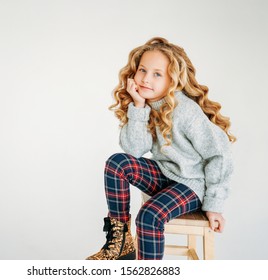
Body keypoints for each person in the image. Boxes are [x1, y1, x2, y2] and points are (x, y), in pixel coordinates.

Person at [86, 37, 236, 260]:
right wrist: (138, 106)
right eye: (143, 70)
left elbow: (220, 154)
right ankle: (121, 241)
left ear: (172, 80)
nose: (146, 79)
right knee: (117, 163)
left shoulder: (185, 111)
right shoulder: (145, 104)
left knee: (149, 216)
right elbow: (134, 150)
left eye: (157, 74)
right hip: (164, 175)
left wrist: (214, 204)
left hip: (191, 184)